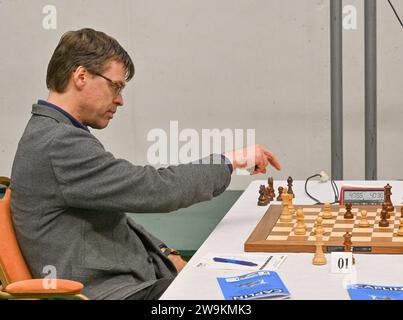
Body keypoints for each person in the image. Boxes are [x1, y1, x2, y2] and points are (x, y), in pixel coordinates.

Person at [10, 28, 281, 300]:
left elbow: (114, 215)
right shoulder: (59, 143)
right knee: (248, 296)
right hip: (109, 294)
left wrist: (166, 254)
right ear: (81, 76)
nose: (120, 99)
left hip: (127, 283)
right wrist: (228, 162)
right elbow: (156, 189)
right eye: (115, 86)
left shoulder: (54, 132)